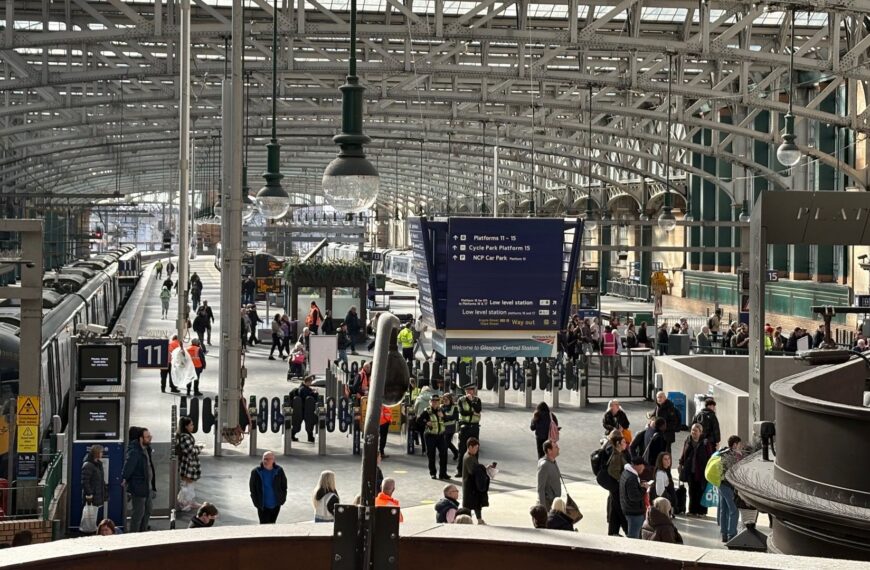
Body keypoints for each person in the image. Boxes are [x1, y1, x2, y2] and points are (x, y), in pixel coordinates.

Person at [122, 427, 156, 533]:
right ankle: (134, 534)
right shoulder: (135, 452)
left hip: (147, 486)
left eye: (150, 436)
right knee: (138, 513)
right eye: (147, 437)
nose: (150, 438)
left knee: (148, 510)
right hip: (139, 486)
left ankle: (143, 531)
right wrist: (125, 479)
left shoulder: (146, 449)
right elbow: (128, 468)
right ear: (140, 439)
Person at [599, 432, 629, 536]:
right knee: (620, 509)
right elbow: (613, 471)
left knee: (615, 510)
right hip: (616, 488)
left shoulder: (618, 454)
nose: (626, 444)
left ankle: (613, 531)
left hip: (615, 488)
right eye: (624, 442)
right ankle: (626, 530)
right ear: (618, 444)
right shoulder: (616, 456)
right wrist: (622, 480)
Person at [679, 423, 712, 516]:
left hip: (701, 471)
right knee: (692, 491)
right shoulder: (688, 440)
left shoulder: (705, 442)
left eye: (695, 431)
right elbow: (683, 453)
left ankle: (702, 511)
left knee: (701, 491)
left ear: (700, 432)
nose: (693, 432)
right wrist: (681, 463)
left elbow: (710, 457)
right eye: (692, 430)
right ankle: (692, 510)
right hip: (690, 470)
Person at [718, 435, 745, 543]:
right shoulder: (735, 456)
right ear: (734, 445)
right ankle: (732, 535)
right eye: (739, 444)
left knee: (723, 510)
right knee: (734, 510)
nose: (740, 446)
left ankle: (724, 534)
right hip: (729, 486)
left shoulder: (723, 453)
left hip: (720, 484)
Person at [249, 451, 288, 524]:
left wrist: (282, 499)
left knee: (273, 523)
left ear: (273, 460)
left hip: (276, 505)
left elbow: (284, 486)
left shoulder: (279, 470)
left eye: (269, 459)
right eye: (264, 459)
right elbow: (252, 489)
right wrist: (256, 503)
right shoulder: (256, 472)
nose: (266, 461)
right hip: (263, 506)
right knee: (264, 525)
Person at [418, 394, 449, 480]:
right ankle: (433, 473)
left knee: (444, 455)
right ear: (430, 402)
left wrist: (443, 416)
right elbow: (418, 420)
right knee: (431, 455)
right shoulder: (426, 411)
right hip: (430, 436)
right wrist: (426, 423)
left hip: (440, 436)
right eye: (433, 401)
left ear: (439, 402)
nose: (435, 402)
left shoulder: (441, 410)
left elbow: (447, 420)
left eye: (436, 401)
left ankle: (443, 473)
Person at [455, 384, 482, 477]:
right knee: (462, 449)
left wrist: (471, 402)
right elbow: (462, 412)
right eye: (468, 391)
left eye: (472, 390)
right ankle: (460, 470)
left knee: (475, 449)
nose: (470, 392)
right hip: (464, 426)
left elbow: (478, 409)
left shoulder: (477, 400)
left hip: (474, 427)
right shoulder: (461, 400)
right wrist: (472, 412)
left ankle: (475, 470)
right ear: (465, 391)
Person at [620, 456, 650, 539]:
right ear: (639, 465)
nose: (644, 468)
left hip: (628, 509)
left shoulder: (626, 473)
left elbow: (631, 491)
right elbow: (634, 497)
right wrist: (644, 488)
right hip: (634, 512)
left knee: (634, 535)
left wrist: (639, 486)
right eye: (643, 466)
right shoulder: (632, 478)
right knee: (634, 538)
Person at [460, 437, 489, 523]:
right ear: (470, 447)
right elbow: (472, 471)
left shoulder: (471, 456)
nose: (476, 450)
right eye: (475, 448)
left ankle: (479, 519)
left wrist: (483, 468)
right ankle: (465, 520)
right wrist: (483, 468)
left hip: (472, 484)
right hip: (470, 485)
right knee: (469, 504)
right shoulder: (468, 457)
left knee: (476, 503)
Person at [176, 416, 201, 510]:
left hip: (188, 463)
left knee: (188, 483)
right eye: (191, 424)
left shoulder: (183, 436)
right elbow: (190, 451)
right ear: (186, 426)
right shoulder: (185, 437)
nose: (193, 426)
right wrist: (199, 448)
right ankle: (185, 503)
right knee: (187, 483)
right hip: (188, 464)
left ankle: (189, 502)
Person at [81, 444, 107, 527]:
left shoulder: (98, 464)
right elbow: (85, 481)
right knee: (90, 515)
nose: (102, 454)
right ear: (96, 453)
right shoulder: (88, 465)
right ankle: (88, 531)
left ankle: (91, 529)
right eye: (101, 452)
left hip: (96, 493)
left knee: (93, 514)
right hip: (92, 495)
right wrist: (89, 494)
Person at [536, 439, 561, 509]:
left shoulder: (553, 461)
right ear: (549, 451)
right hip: (548, 504)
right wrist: (543, 508)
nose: (558, 448)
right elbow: (540, 488)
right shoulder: (544, 465)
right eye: (556, 447)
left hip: (554, 502)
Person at [292, 376, 318, 442]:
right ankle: (292, 435)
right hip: (304, 409)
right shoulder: (303, 389)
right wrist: (314, 393)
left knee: (308, 424)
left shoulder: (304, 388)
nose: (311, 383)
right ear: (307, 382)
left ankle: (310, 437)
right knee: (299, 424)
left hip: (304, 409)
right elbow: (308, 398)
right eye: (310, 382)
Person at [441, 393, 460, 461]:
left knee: (445, 443)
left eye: (446, 399)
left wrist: (445, 417)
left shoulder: (454, 407)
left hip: (450, 428)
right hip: (443, 427)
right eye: (444, 399)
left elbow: (455, 417)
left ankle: (444, 458)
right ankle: (456, 452)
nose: (445, 401)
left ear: (450, 399)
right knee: (447, 442)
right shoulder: (441, 407)